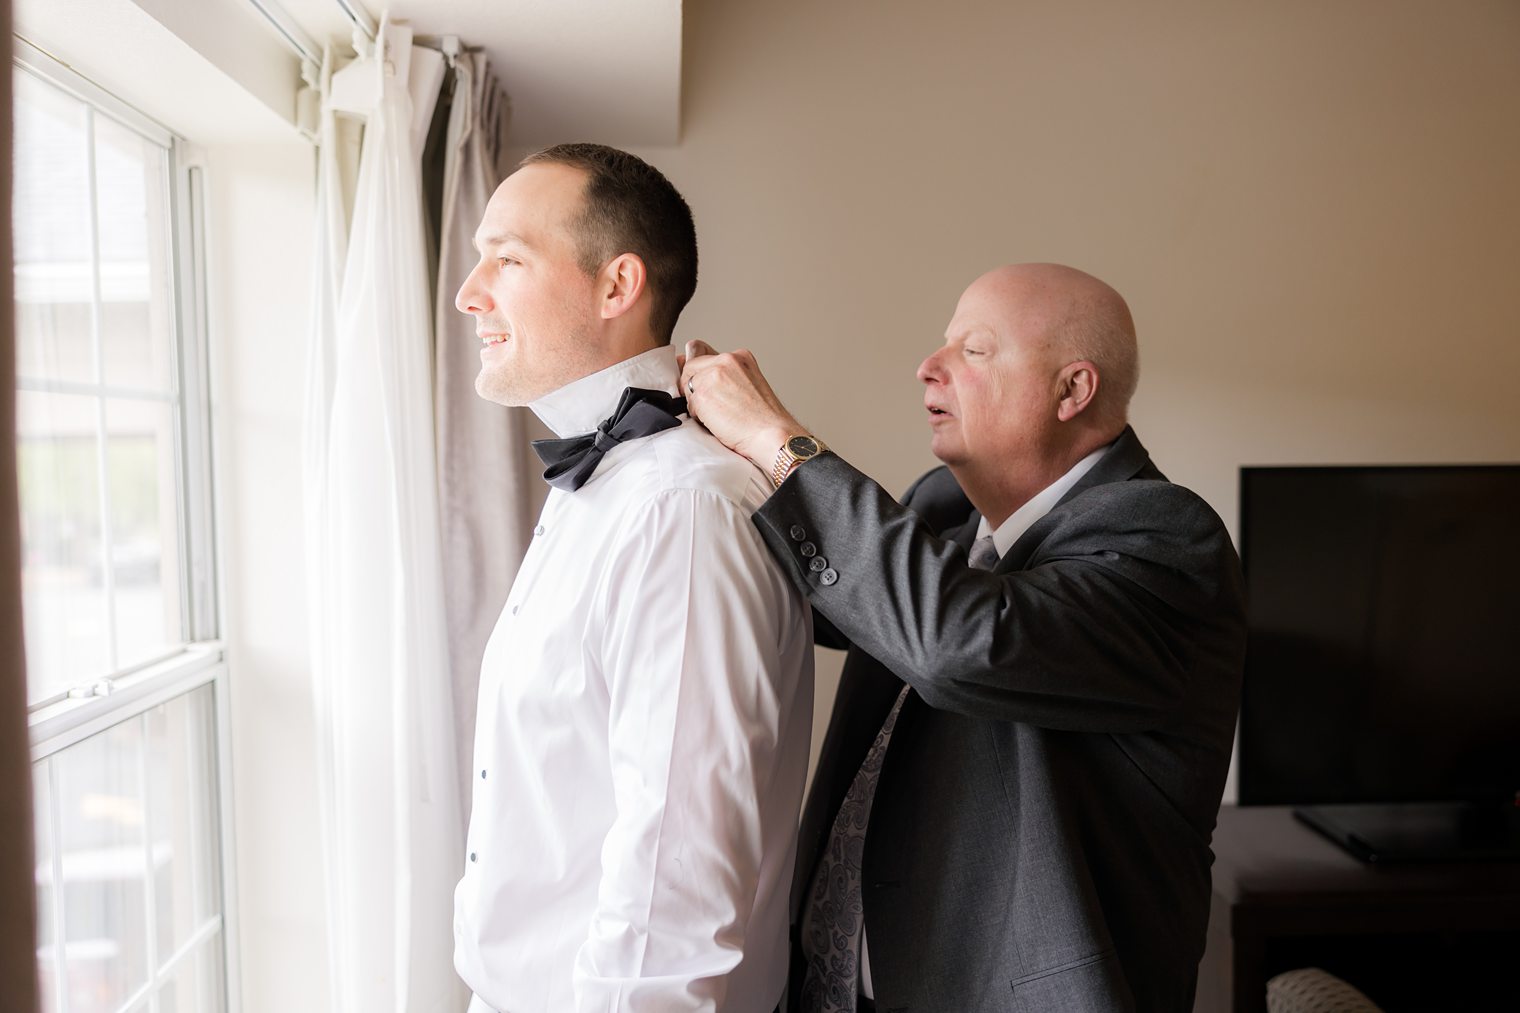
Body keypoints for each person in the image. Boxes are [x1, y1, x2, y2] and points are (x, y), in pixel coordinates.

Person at [679, 263, 1246, 1013]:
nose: (928, 366)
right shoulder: (944, 506)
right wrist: (699, 463)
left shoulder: (1168, 542)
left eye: (974, 351)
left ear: (1072, 391)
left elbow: (959, 639)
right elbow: (817, 600)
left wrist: (777, 439)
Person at [451, 143, 814, 1013]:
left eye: (506, 258)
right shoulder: (610, 486)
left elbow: (676, 876)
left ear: (617, 287)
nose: (470, 292)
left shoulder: (683, 509)